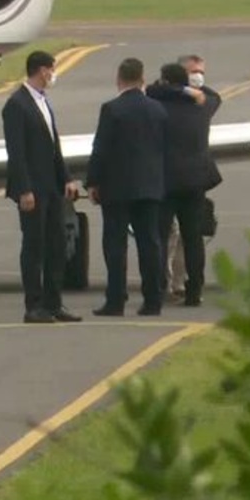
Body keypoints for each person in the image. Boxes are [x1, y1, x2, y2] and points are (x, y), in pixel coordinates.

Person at [2, 51, 82, 324]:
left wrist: (67, 178)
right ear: (40, 70)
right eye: (51, 69)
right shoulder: (17, 105)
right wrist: (24, 190)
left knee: (56, 245)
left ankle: (53, 302)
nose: (53, 74)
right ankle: (33, 305)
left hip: (51, 187)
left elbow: (53, 146)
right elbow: (17, 153)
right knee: (34, 246)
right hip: (32, 190)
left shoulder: (43, 102)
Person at [87, 57, 168, 316]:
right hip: (149, 186)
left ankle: (116, 299)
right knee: (150, 244)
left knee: (115, 245)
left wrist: (93, 181)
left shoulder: (112, 109)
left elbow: (100, 149)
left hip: (118, 188)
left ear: (119, 79)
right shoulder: (158, 110)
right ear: (143, 79)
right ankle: (153, 299)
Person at [147, 62, 222, 307]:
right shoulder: (202, 107)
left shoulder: (157, 107)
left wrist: (175, 89)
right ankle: (194, 291)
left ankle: (158, 289)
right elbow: (214, 96)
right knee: (193, 238)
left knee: (159, 236)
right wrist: (191, 88)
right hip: (194, 181)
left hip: (166, 182)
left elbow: (150, 90)